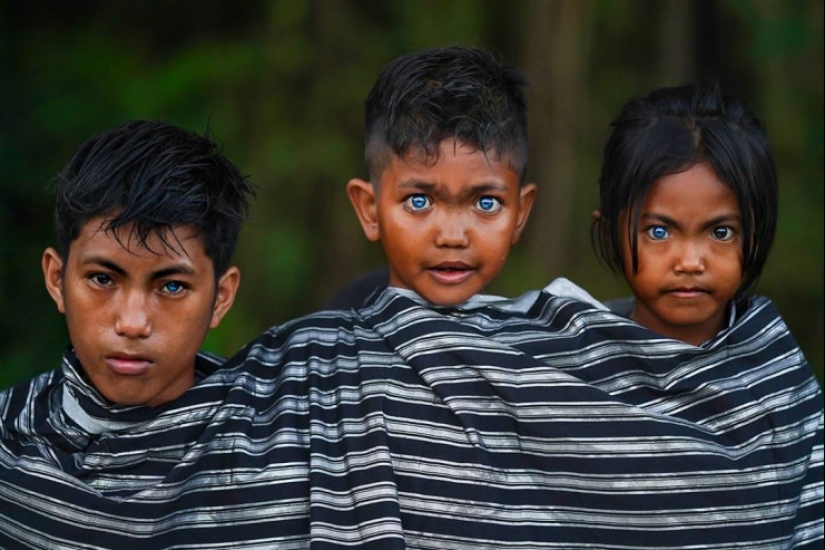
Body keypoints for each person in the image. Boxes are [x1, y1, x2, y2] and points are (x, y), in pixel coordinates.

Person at [3, 49, 821, 549]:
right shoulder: (305, 368)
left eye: (484, 204)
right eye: (421, 201)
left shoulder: (565, 342)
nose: (134, 319)